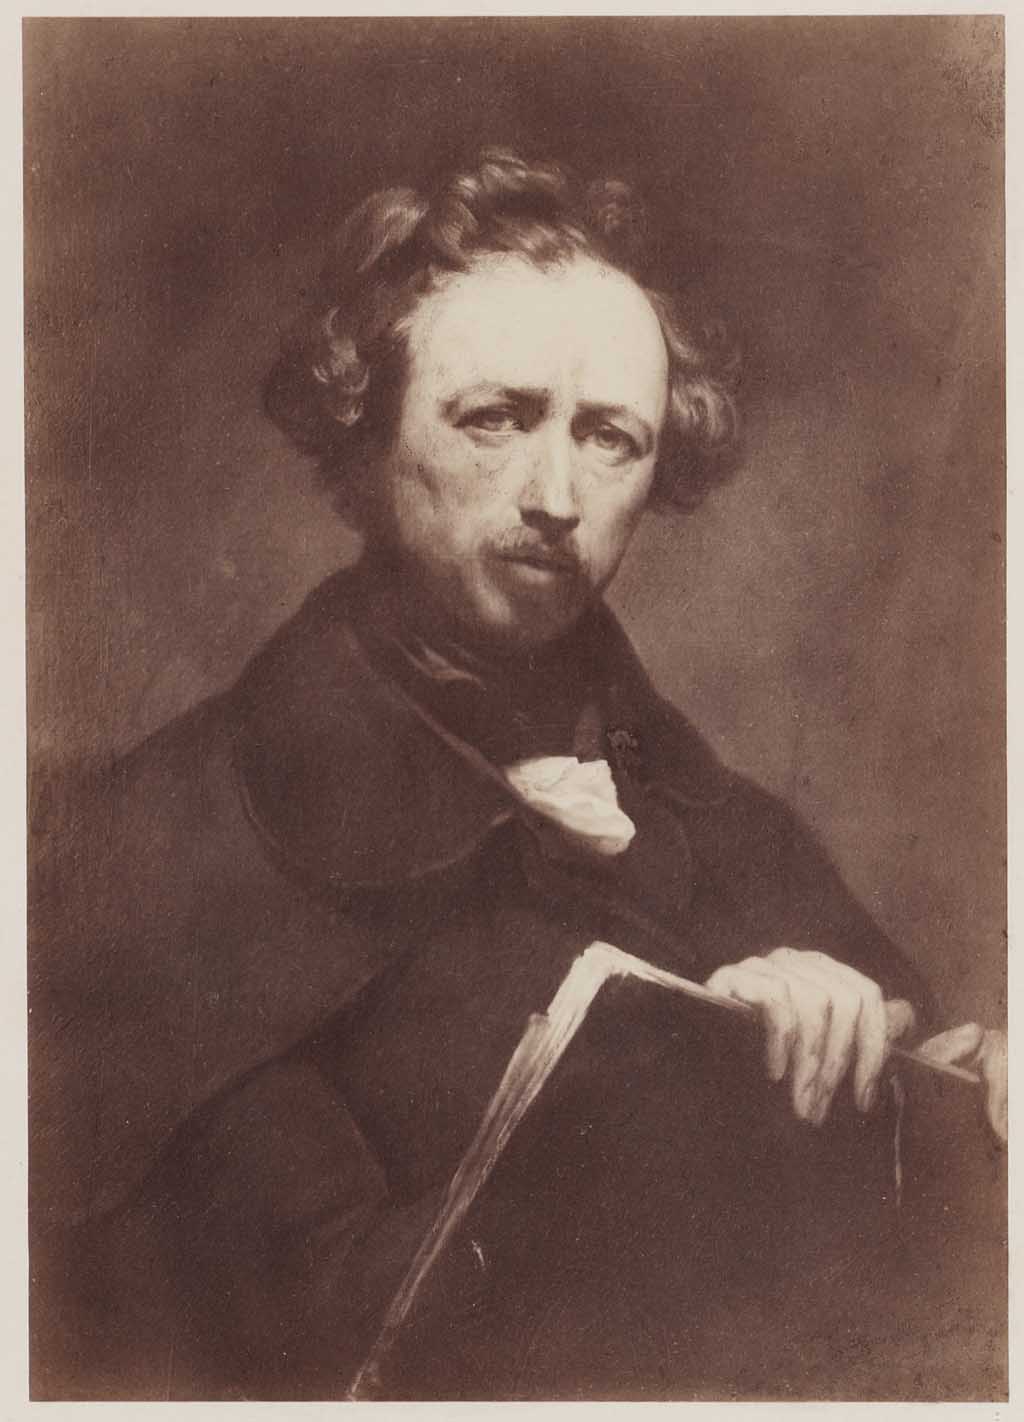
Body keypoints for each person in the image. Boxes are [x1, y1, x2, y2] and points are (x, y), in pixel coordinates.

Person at [29, 149, 1005, 1400]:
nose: (556, 496)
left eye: (609, 438)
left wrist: (967, 1114)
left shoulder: (737, 831)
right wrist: (698, 1076)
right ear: (367, 429)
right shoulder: (159, 845)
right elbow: (331, 1361)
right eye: (494, 418)